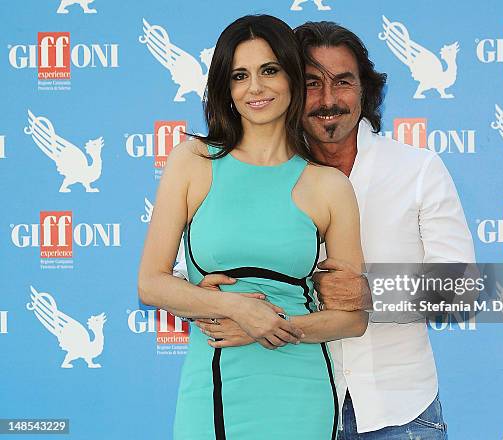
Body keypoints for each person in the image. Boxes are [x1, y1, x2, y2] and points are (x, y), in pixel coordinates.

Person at [192, 21, 475, 439]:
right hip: (287, 405)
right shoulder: (254, 172)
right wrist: (219, 303)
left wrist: (373, 292)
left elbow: (461, 292)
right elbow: (187, 274)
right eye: (311, 83)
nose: (328, 100)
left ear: (366, 90)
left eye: (343, 82)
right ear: (286, 88)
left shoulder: (418, 170)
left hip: (398, 414)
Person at [137, 15, 369, 440]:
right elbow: (151, 284)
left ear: (292, 77)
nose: (255, 88)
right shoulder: (193, 161)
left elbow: (351, 320)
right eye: (240, 75)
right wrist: (237, 309)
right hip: (215, 382)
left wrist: (268, 325)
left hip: (301, 388)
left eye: (269, 70)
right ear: (225, 89)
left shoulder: (329, 186)